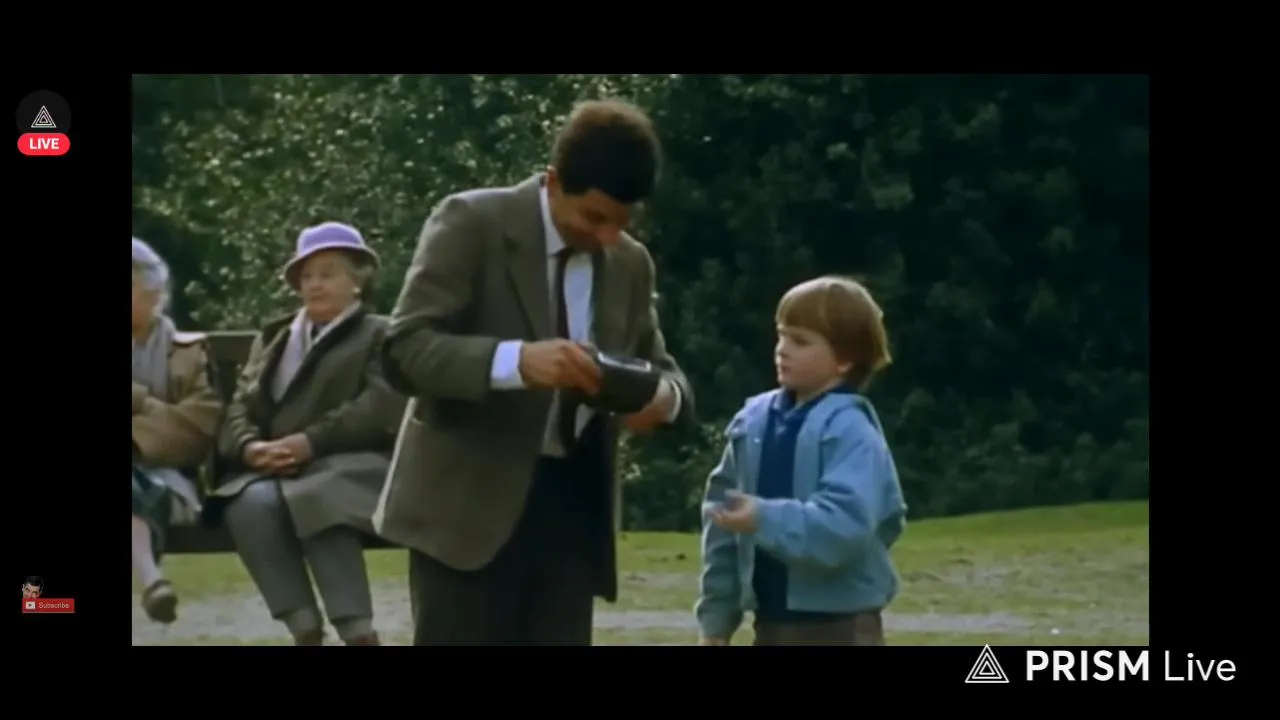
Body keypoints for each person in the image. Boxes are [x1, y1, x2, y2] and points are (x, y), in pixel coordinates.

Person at [374, 99, 695, 645]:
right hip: (466, 510)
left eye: (623, 222)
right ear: (552, 182)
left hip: (571, 509)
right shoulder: (472, 222)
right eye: (594, 217)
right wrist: (513, 362)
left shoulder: (629, 263)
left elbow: (664, 370)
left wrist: (662, 399)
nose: (607, 236)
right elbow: (403, 349)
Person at [212, 222, 407, 646]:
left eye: (328, 273)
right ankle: (304, 629)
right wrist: (251, 447)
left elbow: (380, 407)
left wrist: (309, 443)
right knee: (248, 503)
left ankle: (358, 632)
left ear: (357, 281)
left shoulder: (381, 333)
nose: (315, 284)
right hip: (279, 470)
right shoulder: (276, 337)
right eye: (307, 276)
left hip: (360, 466)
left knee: (317, 495)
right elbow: (241, 405)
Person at [695, 276, 907, 646]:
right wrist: (716, 619)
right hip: (769, 624)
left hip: (841, 628)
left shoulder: (852, 432)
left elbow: (844, 526)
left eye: (800, 341)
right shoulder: (752, 422)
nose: (782, 350)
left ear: (844, 359)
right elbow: (722, 525)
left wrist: (763, 517)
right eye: (781, 336)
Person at [132, 237, 223, 624]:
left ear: (155, 291)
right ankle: (151, 580)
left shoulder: (188, 353)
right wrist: (152, 406)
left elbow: (193, 432)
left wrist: (137, 405)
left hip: (169, 482)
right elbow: (173, 422)